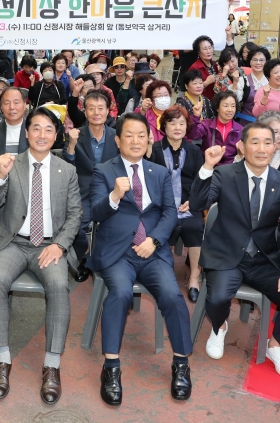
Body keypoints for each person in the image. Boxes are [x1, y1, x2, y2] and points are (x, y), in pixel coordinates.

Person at [190, 122, 280, 379]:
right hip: (227, 254)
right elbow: (198, 203)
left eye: (268, 142)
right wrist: (208, 166)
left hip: (263, 258)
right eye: (255, 142)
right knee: (218, 298)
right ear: (242, 146)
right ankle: (219, 327)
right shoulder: (224, 174)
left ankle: (275, 345)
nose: (262, 148)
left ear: (276, 146)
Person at [89, 113, 192, 405]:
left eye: (141, 135)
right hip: (118, 252)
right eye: (129, 135)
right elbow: (95, 213)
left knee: (173, 295)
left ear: (149, 140)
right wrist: (114, 195)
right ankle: (111, 367)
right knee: (120, 293)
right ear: (118, 140)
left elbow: (170, 213)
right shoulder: (103, 171)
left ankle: (181, 364)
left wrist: (155, 241)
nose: (135, 140)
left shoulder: (160, 173)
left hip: (152, 250)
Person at [0, 107, 82, 405]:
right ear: (26, 133)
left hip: (49, 244)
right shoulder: (11, 164)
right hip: (13, 242)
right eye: (35, 128)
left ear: (56, 135)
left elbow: (76, 214)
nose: (41, 134)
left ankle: (52, 366)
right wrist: (0, 175)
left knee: (58, 286)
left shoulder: (68, 170)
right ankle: (2, 360)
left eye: (48, 129)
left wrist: (60, 245)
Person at [149, 106, 205, 302]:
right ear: (164, 126)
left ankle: (194, 279)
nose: (177, 127)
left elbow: (200, 181)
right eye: (172, 123)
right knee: (165, 227)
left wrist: (192, 201)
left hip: (188, 203)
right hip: (162, 205)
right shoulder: (154, 149)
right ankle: (164, 276)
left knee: (195, 226)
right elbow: (150, 183)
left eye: (182, 123)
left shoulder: (194, 151)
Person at [64, 90, 120, 281]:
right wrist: (71, 144)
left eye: (100, 108)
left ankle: (108, 260)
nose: (96, 112)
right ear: (85, 112)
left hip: (112, 191)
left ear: (108, 111)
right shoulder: (76, 135)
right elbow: (67, 166)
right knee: (78, 227)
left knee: (117, 226)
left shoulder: (117, 136)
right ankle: (82, 258)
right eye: (91, 108)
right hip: (84, 191)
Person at [192, 91, 243, 165]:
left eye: (233, 106)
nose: (230, 109)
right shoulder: (206, 124)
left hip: (231, 170)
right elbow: (193, 135)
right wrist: (196, 116)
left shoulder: (241, 130)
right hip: (208, 167)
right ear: (217, 108)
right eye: (225, 106)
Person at [187, 35, 221, 102]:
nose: (209, 51)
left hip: (215, 102)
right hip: (202, 103)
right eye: (205, 49)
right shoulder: (194, 67)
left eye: (210, 47)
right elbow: (190, 90)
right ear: (198, 52)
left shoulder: (214, 64)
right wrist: (205, 83)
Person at [240, 46, 271, 116]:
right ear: (250, 62)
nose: (258, 63)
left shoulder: (272, 80)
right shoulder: (243, 80)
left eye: (262, 60)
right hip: (247, 121)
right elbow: (237, 99)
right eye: (254, 60)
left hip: (267, 122)